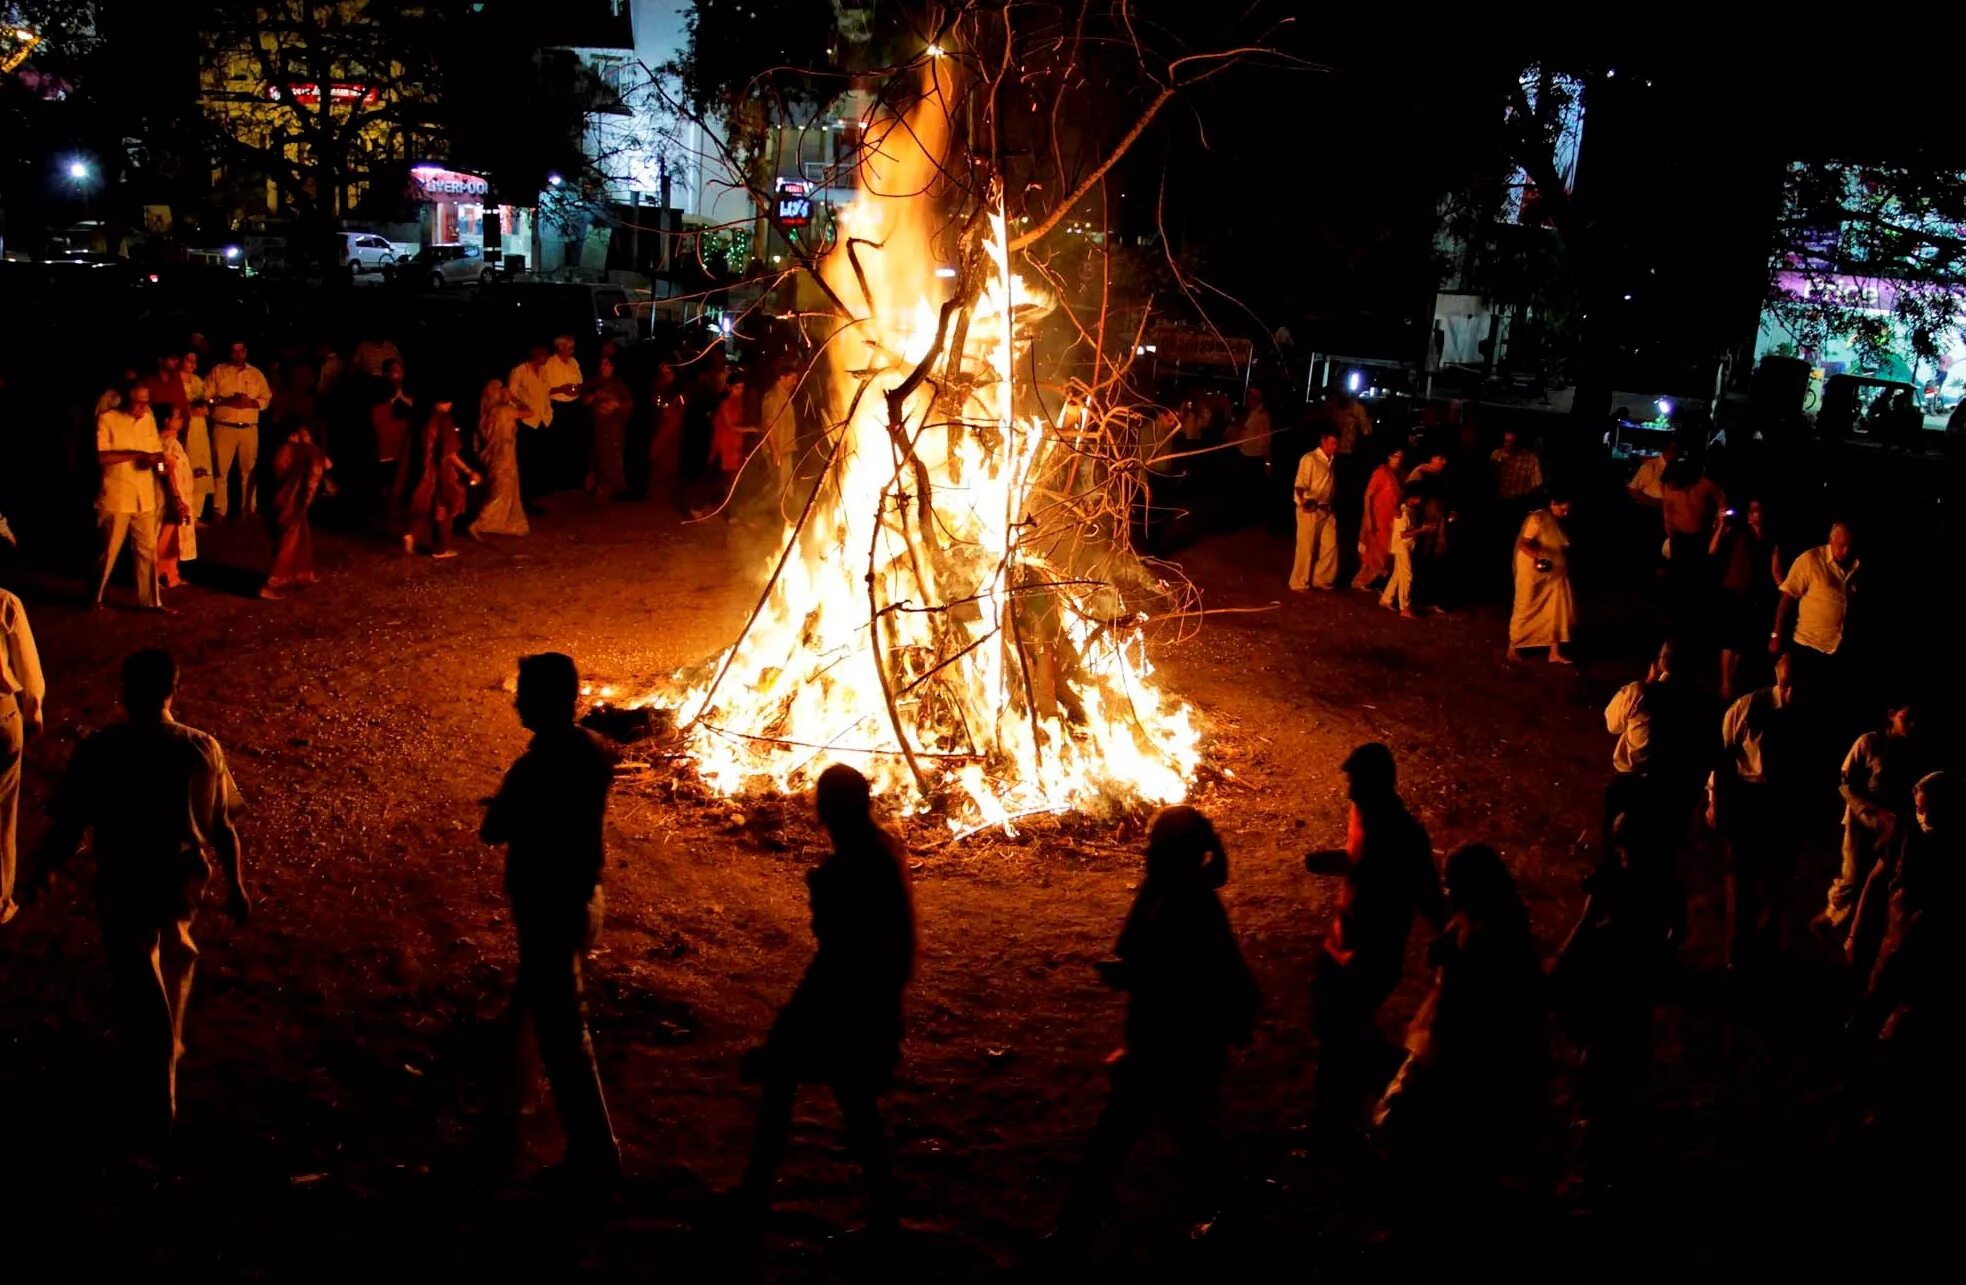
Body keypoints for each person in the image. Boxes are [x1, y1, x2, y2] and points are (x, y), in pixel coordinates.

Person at [15, 648, 250, 1142]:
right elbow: (222, 826)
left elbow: (68, 825)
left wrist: (38, 871)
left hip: (125, 877)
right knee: (172, 954)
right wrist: (237, 887)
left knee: (138, 975)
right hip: (183, 876)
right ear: (175, 690)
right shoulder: (200, 747)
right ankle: (167, 1048)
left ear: (124, 693)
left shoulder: (100, 750)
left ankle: (156, 1093)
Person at [1057, 807, 1258, 1238]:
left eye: (1155, 845)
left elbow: (1184, 977)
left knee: (1138, 1127)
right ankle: (1213, 1209)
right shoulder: (1169, 888)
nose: (1147, 853)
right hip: (1168, 1038)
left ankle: (1083, 1224)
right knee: (1183, 1126)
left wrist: (1129, 976)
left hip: (1175, 1040)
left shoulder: (1187, 903)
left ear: (1173, 853)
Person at [734, 764, 915, 1230]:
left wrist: (824, 903)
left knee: (820, 1089)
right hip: (871, 1002)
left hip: (851, 1005)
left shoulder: (852, 870)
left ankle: (761, 1191)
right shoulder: (880, 854)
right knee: (834, 1096)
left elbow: (839, 953)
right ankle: (881, 1211)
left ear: (827, 812)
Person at [479, 652, 622, 1185]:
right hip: (586, 897)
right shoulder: (593, 749)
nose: (516, 701)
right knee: (530, 1013)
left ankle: (596, 1155)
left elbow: (493, 829)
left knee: (565, 1036)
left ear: (541, 701)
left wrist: (509, 804)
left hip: (549, 907)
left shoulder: (535, 768)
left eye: (523, 693)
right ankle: (511, 1111)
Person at [1374, 845, 1546, 1276]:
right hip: (1464, 1051)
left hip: (1472, 1057)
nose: (1448, 891)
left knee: (1431, 1138)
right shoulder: (1484, 918)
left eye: (1453, 883)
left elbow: (1477, 1006)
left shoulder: (1492, 936)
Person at [1303, 743, 1446, 1144]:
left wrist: (1457, 936)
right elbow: (1362, 860)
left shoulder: (1406, 836)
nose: (1348, 791)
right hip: (1339, 947)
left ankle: (1392, 1090)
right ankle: (1341, 1118)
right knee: (1332, 1029)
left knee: (1341, 1040)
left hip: (1372, 955)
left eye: (1355, 782)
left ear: (1377, 784)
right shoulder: (1363, 811)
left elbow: (1426, 894)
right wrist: (1328, 861)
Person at [1709, 652, 1799, 970]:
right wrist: (1714, 801)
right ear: (1780, 680)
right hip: (1747, 796)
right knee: (1741, 876)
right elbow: (1722, 756)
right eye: (1789, 683)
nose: (1794, 691)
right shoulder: (1749, 708)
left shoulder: (1803, 714)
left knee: (1778, 875)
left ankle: (1766, 945)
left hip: (1779, 799)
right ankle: (1736, 953)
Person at [1814, 699, 1923, 936]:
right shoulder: (1869, 742)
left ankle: (1862, 929)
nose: (1911, 725)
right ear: (1891, 714)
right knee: (1851, 872)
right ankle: (1832, 917)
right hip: (1860, 815)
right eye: (1906, 718)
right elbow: (1845, 783)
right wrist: (1866, 809)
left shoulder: (1908, 751)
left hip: (1891, 822)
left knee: (1881, 873)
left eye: (1915, 721)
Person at [1602, 641, 1691, 856]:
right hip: (1671, 784)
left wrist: (1648, 682)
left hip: (1631, 780)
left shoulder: (1640, 693)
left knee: (1616, 836)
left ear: (1661, 662)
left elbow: (1612, 723)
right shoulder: (1695, 700)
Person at [1771, 521, 1860, 712]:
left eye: (1849, 546)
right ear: (1831, 540)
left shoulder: (1854, 566)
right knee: (1801, 703)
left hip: (1836, 649)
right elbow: (1786, 599)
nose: (1845, 551)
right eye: (1841, 545)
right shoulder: (1811, 560)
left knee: (1825, 705)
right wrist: (1776, 636)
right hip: (1808, 646)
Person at [92, 381, 166, 611]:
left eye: (146, 402)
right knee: (109, 551)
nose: (143, 407)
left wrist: (157, 464)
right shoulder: (108, 419)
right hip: (117, 495)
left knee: (148, 551)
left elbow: (156, 451)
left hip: (144, 494)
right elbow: (102, 457)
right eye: (138, 402)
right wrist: (135, 454)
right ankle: (95, 596)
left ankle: (150, 602)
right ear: (125, 399)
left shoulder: (148, 419)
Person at [0, 580, 44, 925]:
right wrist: (33, 713)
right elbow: (28, 669)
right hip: (2, 714)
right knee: (3, 812)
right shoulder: (5, 602)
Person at [1709, 498, 1781, 701]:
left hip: (1753, 594)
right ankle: (1725, 681)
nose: (1755, 514)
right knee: (1730, 638)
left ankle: (1729, 681)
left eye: (1759, 510)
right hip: (1733, 592)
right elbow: (1712, 549)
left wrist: (1786, 590)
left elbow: (1775, 570)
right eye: (1752, 510)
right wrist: (1721, 525)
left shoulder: (1769, 538)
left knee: (1742, 640)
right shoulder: (1738, 533)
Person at [395, 398, 479, 558]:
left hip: (425, 470)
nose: (451, 405)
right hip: (442, 471)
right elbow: (449, 453)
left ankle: (411, 534)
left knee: (428, 506)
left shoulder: (423, 420)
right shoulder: (444, 421)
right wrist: (469, 471)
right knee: (445, 506)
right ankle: (441, 548)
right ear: (441, 403)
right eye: (448, 402)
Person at [261, 424, 329, 599]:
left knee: (302, 537)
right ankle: (271, 584)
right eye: (302, 433)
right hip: (288, 501)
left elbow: (326, 463)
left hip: (295, 501)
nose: (306, 436)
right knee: (288, 540)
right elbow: (282, 473)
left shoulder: (303, 450)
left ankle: (301, 574)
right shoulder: (288, 450)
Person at [1507, 493, 1577, 664]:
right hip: (1532, 567)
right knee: (1525, 604)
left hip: (1553, 570)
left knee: (1556, 606)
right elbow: (1524, 543)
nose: (1565, 514)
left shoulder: (1554, 522)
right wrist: (1536, 557)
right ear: (1553, 503)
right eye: (1563, 509)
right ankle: (1513, 646)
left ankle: (1554, 652)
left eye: (1568, 511)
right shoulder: (1537, 518)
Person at [206, 341, 272, 518]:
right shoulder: (218, 371)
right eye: (233, 351)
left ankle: (248, 508)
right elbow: (207, 397)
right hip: (224, 426)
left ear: (245, 352)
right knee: (220, 470)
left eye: (240, 351)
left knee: (248, 470)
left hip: (248, 428)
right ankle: (219, 509)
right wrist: (227, 401)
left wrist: (251, 402)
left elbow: (266, 398)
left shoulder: (255, 374)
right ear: (229, 353)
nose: (237, 354)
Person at [1659, 456, 1726, 629]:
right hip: (1679, 539)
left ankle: (1696, 615)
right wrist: (1671, 537)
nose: (1671, 485)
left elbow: (1722, 503)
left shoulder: (1705, 485)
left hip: (1702, 538)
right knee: (1678, 578)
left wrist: (1720, 523)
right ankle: (1676, 615)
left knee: (1698, 577)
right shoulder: (1669, 488)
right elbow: (1667, 515)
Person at [469, 380, 529, 538]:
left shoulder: (484, 414)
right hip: (504, 458)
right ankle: (479, 523)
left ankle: (502, 523)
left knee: (503, 492)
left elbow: (476, 442)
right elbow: (529, 412)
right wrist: (514, 398)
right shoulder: (503, 411)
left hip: (493, 459)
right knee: (500, 493)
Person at [694, 372, 752, 521]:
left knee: (729, 482)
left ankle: (730, 513)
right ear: (729, 387)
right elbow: (730, 426)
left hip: (732, 449)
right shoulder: (724, 404)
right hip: (721, 449)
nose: (740, 391)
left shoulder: (738, 404)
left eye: (742, 388)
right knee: (715, 481)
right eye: (737, 388)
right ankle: (697, 507)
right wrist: (753, 428)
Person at [1289, 428, 1340, 592]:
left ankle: (1321, 578)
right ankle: (1299, 582)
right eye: (1332, 443)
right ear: (1323, 441)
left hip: (1326, 509)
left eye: (1336, 444)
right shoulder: (1310, 459)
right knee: (1306, 546)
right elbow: (1300, 484)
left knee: (1330, 545)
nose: (1335, 447)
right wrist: (1303, 502)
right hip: (1310, 509)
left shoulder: (1330, 461)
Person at [154, 406, 199, 591]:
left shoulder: (173, 442)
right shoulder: (166, 444)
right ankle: (153, 575)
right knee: (166, 536)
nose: (181, 421)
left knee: (175, 537)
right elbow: (165, 471)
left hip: (179, 496)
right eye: (178, 418)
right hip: (171, 499)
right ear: (167, 421)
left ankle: (171, 574)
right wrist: (176, 498)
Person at [1352, 444, 1405, 592]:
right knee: (1375, 553)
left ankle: (1374, 582)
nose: (1398, 460)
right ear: (1389, 456)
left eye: (1401, 457)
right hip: (1377, 518)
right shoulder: (1382, 471)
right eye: (1395, 456)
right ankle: (1361, 580)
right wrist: (1368, 517)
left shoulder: (1400, 474)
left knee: (1387, 552)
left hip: (1391, 520)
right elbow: (1368, 495)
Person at [582, 353, 634, 499]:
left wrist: (616, 404)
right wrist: (597, 396)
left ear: (612, 367)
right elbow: (585, 400)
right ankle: (599, 484)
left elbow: (628, 403)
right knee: (599, 454)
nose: (603, 367)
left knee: (614, 453)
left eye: (607, 364)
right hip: (597, 425)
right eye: (602, 364)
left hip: (615, 426)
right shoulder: (593, 383)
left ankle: (616, 486)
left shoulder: (619, 384)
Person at [1379, 489, 1433, 618]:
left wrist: (1423, 528)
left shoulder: (1411, 510)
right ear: (1412, 497)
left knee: (1398, 574)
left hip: (1407, 546)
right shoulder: (1402, 512)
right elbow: (1403, 534)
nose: (1422, 501)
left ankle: (1386, 599)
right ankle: (1405, 608)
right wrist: (1422, 530)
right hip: (1401, 547)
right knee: (1407, 576)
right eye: (1420, 498)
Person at [544, 335, 586, 492]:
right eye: (570, 347)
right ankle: (557, 481)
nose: (572, 350)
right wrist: (562, 389)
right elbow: (543, 388)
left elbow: (580, 382)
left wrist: (576, 389)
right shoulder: (549, 363)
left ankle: (573, 480)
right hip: (557, 406)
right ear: (560, 347)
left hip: (573, 406)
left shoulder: (573, 362)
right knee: (558, 445)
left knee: (573, 443)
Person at [178, 350, 215, 521]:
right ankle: (184, 511)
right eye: (189, 361)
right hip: (186, 428)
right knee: (187, 467)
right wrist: (190, 411)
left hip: (199, 429)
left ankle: (196, 514)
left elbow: (205, 400)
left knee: (202, 466)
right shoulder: (176, 382)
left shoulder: (198, 381)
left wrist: (206, 408)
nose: (193, 365)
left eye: (195, 362)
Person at [645, 361, 687, 505]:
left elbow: (682, 404)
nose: (664, 369)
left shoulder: (680, 385)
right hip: (661, 423)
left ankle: (671, 491)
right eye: (661, 367)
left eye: (667, 366)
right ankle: (656, 491)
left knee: (672, 456)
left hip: (674, 425)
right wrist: (661, 407)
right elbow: (655, 401)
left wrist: (675, 410)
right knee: (658, 453)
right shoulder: (658, 384)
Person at [758, 365, 799, 510]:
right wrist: (775, 450)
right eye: (792, 378)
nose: (795, 382)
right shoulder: (773, 396)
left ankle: (783, 516)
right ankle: (771, 517)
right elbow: (768, 424)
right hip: (777, 450)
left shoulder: (785, 395)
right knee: (779, 487)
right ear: (781, 378)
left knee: (787, 485)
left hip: (785, 447)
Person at [1232, 388, 1272, 522]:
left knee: (1251, 490)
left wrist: (1267, 461)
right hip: (1244, 453)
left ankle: (1251, 518)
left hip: (1254, 457)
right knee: (1242, 488)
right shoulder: (1250, 413)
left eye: (1251, 397)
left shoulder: (1262, 415)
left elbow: (1266, 439)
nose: (1248, 400)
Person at [1626, 438, 1677, 508]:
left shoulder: (1681, 467)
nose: (1677, 452)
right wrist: (1657, 503)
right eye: (1674, 448)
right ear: (1666, 449)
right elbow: (1633, 490)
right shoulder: (1650, 466)